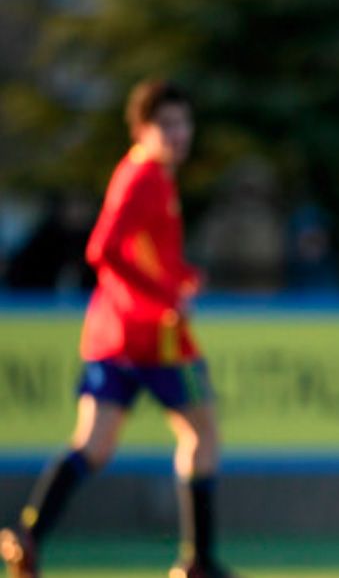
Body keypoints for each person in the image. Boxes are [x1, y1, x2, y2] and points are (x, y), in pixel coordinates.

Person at [0, 80, 237, 578]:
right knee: (203, 432)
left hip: (113, 334)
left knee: (95, 443)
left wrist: (182, 277)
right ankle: (198, 563)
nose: (178, 133)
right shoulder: (145, 177)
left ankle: (28, 533)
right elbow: (101, 250)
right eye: (166, 125)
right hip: (155, 337)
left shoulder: (142, 172)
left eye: (182, 122)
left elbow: (142, 254)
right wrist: (166, 298)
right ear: (142, 130)